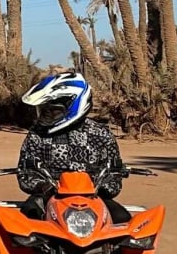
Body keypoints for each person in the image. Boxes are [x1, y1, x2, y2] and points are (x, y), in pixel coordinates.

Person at [16, 70, 131, 225]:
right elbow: (25, 171)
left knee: (124, 223)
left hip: (94, 199)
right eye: (43, 110)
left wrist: (102, 189)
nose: (45, 115)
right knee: (24, 225)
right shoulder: (38, 133)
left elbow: (114, 175)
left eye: (52, 110)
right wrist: (45, 187)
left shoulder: (101, 135)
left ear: (74, 106)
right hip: (49, 198)